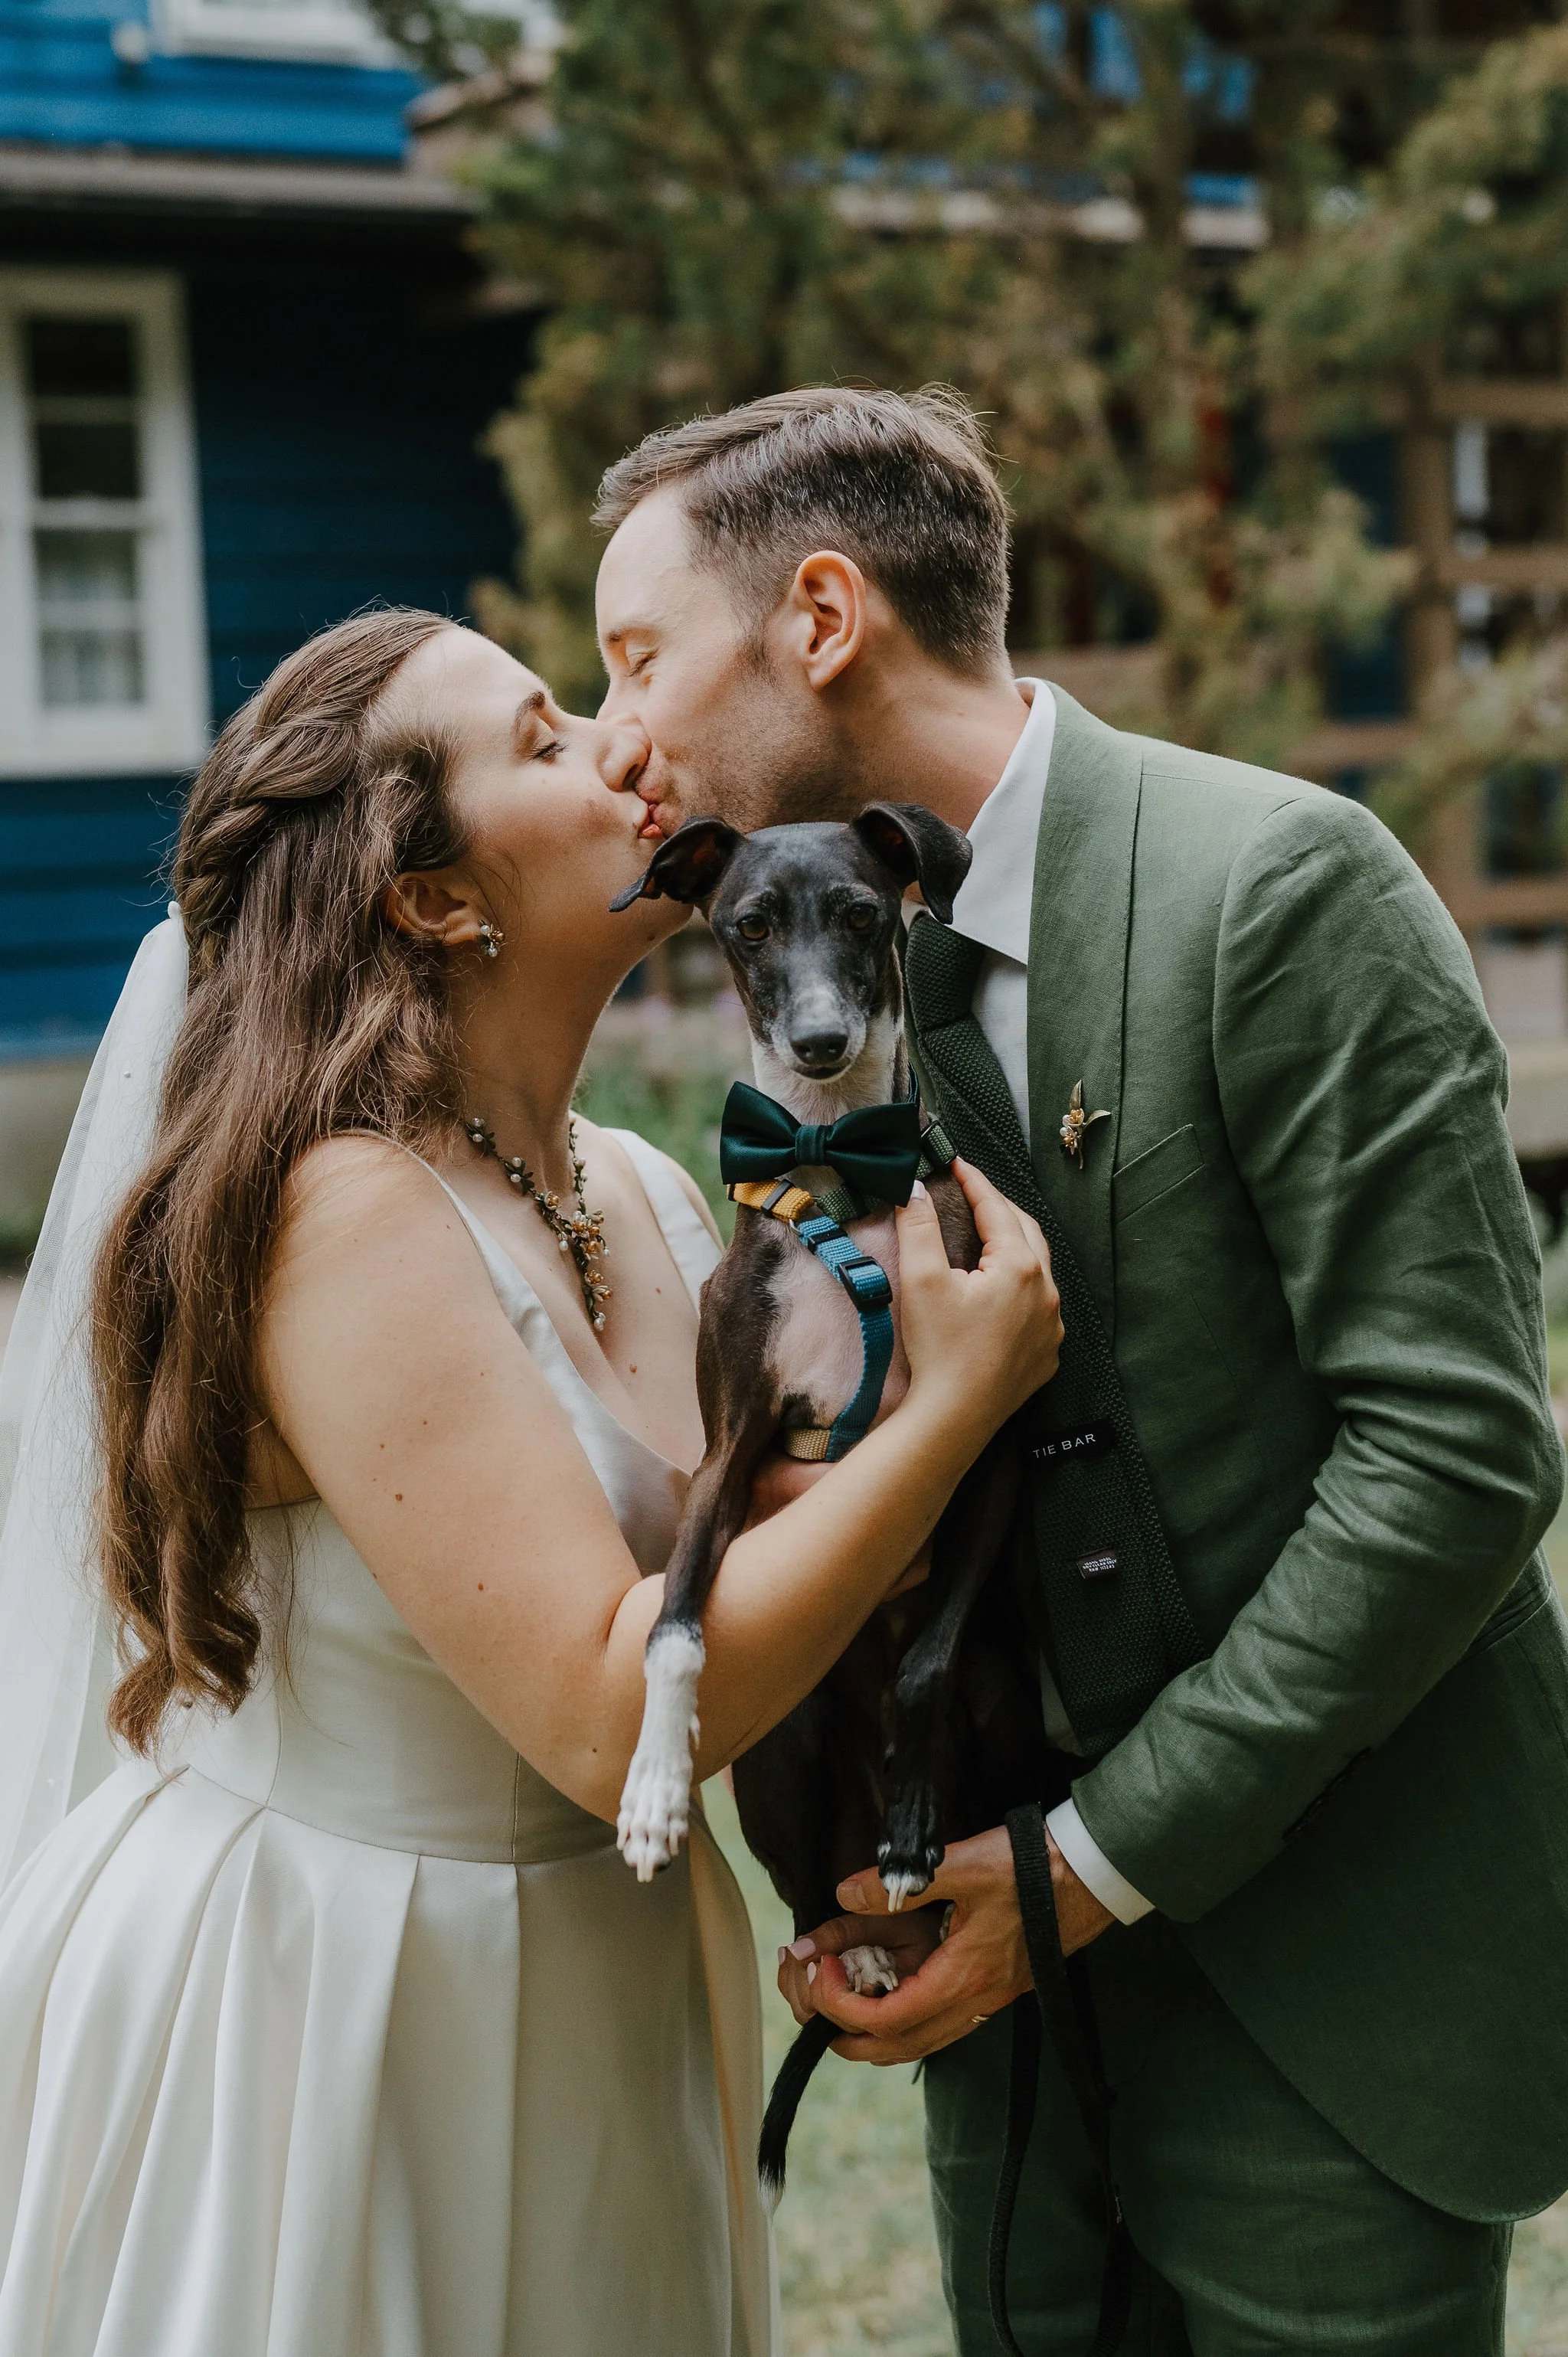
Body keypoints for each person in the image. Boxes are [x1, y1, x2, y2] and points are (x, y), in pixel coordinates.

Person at [591, 384, 1568, 2355]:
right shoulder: (816, 986)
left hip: (1329, 1978)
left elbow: (1459, 1455)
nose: (615, 730)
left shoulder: (1285, 885)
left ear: (822, 614)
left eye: (633, 657)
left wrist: (1100, 1867)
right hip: (979, 1994)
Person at [0, 606, 1060, 2357]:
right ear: (432, 897)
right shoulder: (342, 1216)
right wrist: (955, 1407)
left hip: (610, 1982)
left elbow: (783, 1570)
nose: (624, 745)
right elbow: (597, 1709)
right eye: (550, 736)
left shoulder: (641, 1192)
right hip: (348, 2008)